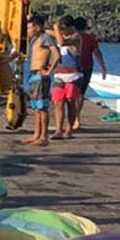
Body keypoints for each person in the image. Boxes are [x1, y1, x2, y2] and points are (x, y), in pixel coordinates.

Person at [20, 14, 59, 146]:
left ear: (36, 27)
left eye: (30, 28)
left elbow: (56, 54)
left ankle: (44, 136)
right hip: (33, 75)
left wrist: (49, 70)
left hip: (41, 76)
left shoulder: (45, 38)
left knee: (42, 107)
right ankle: (36, 134)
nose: (28, 31)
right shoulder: (34, 40)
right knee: (36, 107)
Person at [71, 17, 106, 131]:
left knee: (72, 94)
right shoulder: (91, 38)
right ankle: (76, 118)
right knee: (80, 94)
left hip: (74, 67)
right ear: (85, 26)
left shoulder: (72, 37)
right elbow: (97, 53)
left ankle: (72, 118)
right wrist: (103, 67)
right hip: (86, 67)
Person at [50, 16, 82, 140]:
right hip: (60, 73)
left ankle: (69, 130)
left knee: (70, 101)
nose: (61, 31)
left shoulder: (76, 37)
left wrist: (56, 29)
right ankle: (58, 130)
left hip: (73, 75)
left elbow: (62, 42)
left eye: (63, 29)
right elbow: (49, 33)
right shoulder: (60, 35)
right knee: (58, 102)